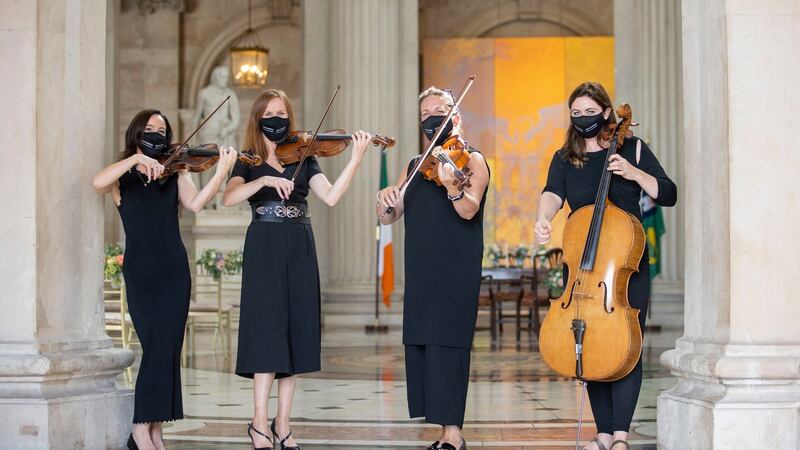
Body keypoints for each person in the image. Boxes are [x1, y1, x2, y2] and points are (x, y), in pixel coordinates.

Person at [222, 89, 372, 450]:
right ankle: (258, 422)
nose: (278, 120)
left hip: (299, 243)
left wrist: (355, 158)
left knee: (294, 333)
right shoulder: (248, 160)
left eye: (283, 113)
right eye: (271, 114)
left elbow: (332, 196)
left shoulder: (304, 157)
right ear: (258, 118)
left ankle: (283, 424)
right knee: (266, 331)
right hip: (264, 245)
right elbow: (228, 197)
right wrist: (263, 181)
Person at [534, 82, 677, 450]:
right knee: (590, 343)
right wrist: (543, 217)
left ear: (607, 112)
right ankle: (601, 433)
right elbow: (552, 193)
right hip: (583, 268)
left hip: (624, 269)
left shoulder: (632, 148)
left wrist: (632, 172)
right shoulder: (566, 156)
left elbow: (668, 193)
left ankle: (620, 436)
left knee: (627, 345)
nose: (583, 119)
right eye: (576, 113)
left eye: (589, 112)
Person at [92, 109, 237, 450]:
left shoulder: (177, 171)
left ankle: (155, 430)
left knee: (168, 349)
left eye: (162, 129)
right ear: (137, 132)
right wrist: (137, 159)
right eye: (150, 128)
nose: (157, 132)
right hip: (142, 271)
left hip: (174, 270)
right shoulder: (122, 178)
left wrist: (221, 172)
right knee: (155, 346)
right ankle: (140, 429)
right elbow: (96, 182)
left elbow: (198, 204)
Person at [377, 87, 490, 450]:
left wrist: (451, 185)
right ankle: (442, 431)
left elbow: (468, 209)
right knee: (425, 343)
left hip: (456, 266)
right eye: (425, 112)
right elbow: (390, 215)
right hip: (422, 268)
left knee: (450, 345)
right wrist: (384, 200)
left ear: (454, 114)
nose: (431, 117)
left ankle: (453, 435)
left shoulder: (472, 160)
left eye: (439, 110)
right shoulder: (414, 164)